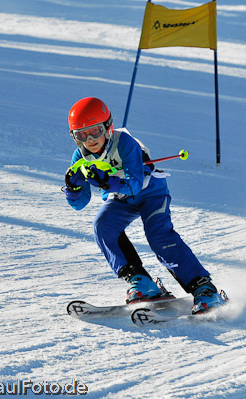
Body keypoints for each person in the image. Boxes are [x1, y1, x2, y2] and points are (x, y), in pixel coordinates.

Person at [62, 97, 226, 314]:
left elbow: (135, 184)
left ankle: (204, 288)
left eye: (96, 131)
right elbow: (80, 203)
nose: (90, 139)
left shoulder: (125, 143)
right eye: (82, 135)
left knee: (158, 236)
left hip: (151, 192)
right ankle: (140, 281)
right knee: (103, 225)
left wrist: (106, 181)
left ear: (108, 127)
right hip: (122, 199)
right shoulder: (80, 157)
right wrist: (73, 188)